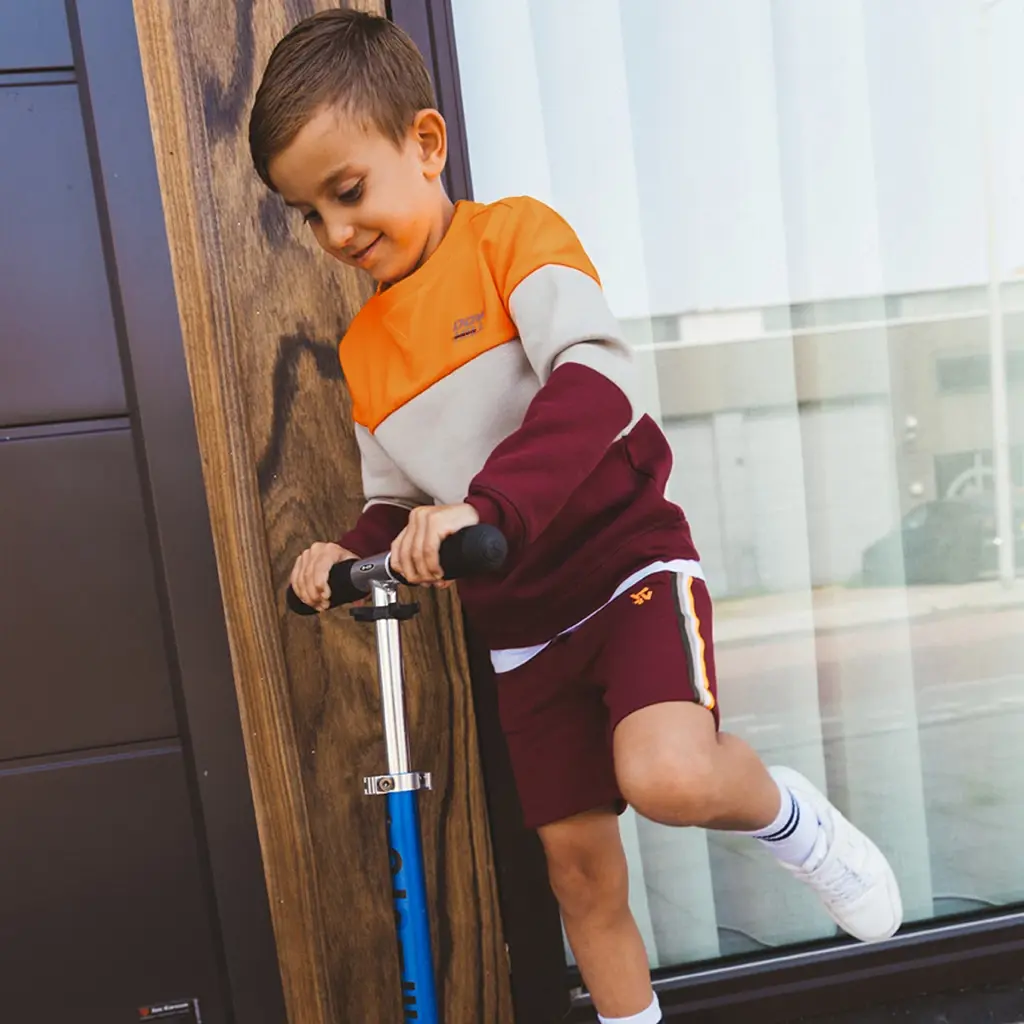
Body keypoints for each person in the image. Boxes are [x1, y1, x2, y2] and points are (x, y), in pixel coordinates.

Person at [249, 11, 903, 1023]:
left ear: (425, 145)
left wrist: (489, 500)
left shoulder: (513, 237)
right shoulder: (369, 348)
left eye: (347, 193)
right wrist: (349, 549)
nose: (336, 234)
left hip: (624, 570)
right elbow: (397, 498)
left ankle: (788, 817)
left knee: (672, 777)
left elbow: (595, 378)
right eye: (309, 214)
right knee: (579, 878)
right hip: (519, 629)